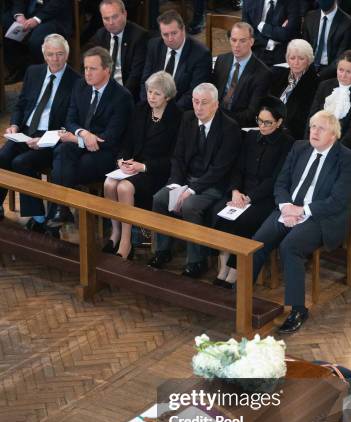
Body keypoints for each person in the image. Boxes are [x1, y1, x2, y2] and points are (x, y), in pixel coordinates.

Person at [252, 110, 351, 333]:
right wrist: (286, 207)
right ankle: (239, 294)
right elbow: (281, 183)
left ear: (334, 135)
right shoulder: (299, 148)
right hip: (289, 208)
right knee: (258, 242)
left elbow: (337, 201)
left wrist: (303, 210)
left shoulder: (348, 159)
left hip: (320, 216)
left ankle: (298, 309)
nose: (315, 132)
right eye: (312, 127)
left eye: (321, 128)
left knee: (290, 246)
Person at [149, 83, 242, 279]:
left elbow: (220, 169)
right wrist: (175, 183)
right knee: (160, 198)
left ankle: (196, 261)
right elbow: (178, 156)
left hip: (213, 184)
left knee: (190, 205)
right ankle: (162, 250)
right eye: (195, 102)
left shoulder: (229, 127)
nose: (198, 107)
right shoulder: (188, 118)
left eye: (204, 103)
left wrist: (191, 190)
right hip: (186, 179)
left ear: (216, 105)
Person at [212, 97, 294, 288]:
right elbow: (237, 168)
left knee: (245, 221)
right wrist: (235, 191)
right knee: (219, 215)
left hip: (264, 198)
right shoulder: (250, 137)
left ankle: (235, 270)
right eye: (259, 120)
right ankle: (223, 267)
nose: (262, 126)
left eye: (268, 122)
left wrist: (249, 198)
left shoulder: (287, 143)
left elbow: (276, 179)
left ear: (279, 122)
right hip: (241, 193)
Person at [47, 46, 134, 227]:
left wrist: (75, 138)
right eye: (85, 68)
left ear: (107, 70)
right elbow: (69, 119)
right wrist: (83, 134)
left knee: (67, 167)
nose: (87, 73)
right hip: (84, 143)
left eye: (92, 69)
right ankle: (62, 210)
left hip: (105, 152)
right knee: (62, 152)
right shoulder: (80, 86)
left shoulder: (122, 97)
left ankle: (60, 210)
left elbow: (109, 139)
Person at [0, 34, 80, 228]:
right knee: (2, 157)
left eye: (60, 54)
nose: (55, 59)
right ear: (44, 55)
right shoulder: (33, 72)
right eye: (50, 54)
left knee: (21, 163)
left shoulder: (76, 81)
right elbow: (20, 105)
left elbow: (71, 120)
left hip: (51, 138)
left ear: (67, 55)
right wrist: (15, 125)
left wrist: (45, 140)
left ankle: (38, 218)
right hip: (25, 131)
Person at [103, 71, 181, 260]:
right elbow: (127, 142)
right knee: (109, 183)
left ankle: (126, 241)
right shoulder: (141, 109)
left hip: (156, 172)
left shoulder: (177, 117)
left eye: (157, 94)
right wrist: (121, 160)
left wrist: (143, 167)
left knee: (123, 187)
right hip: (133, 166)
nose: (151, 97)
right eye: (150, 92)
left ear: (168, 96)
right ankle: (116, 232)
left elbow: (174, 159)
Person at [140, 9, 212, 110]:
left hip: (180, 111)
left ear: (183, 30)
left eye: (174, 33)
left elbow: (194, 93)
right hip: (152, 106)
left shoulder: (200, 54)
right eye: (165, 35)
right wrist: (148, 105)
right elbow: (145, 81)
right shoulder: (154, 46)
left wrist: (168, 112)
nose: (170, 39)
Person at [308, 49, 351, 150]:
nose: (343, 76)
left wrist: (334, 150)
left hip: (341, 147)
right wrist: (309, 143)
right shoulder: (324, 85)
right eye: (340, 70)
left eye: (348, 72)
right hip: (315, 140)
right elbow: (312, 117)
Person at [86, 0, 147, 101]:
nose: (111, 23)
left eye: (115, 17)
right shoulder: (100, 35)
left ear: (125, 14)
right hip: (103, 92)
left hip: (127, 94)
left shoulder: (139, 37)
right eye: (106, 18)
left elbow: (135, 76)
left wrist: (119, 98)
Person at [212, 22, 271, 127]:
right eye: (233, 40)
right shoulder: (222, 60)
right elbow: (214, 93)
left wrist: (221, 118)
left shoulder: (263, 73)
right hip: (215, 115)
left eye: (242, 41)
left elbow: (251, 114)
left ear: (251, 42)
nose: (236, 45)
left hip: (238, 124)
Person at [2, 0, 72, 81]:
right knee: (5, 24)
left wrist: (36, 19)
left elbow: (57, 3)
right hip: (28, 10)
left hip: (53, 15)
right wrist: (19, 15)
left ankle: (44, 74)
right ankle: (20, 68)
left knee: (36, 40)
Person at [269, 39, 318, 138]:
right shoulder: (279, 75)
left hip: (289, 132)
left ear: (308, 60)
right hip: (268, 123)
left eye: (301, 58)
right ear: (287, 59)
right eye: (292, 58)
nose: (296, 62)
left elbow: (302, 119)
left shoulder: (315, 84)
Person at [302, 0, 351, 81]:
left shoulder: (347, 23)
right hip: (308, 67)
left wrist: (319, 75)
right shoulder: (310, 16)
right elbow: (304, 46)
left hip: (331, 72)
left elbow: (341, 56)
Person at [242, 0, 301, 67]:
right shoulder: (249, 2)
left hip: (281, 54)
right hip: (255, 49)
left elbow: (288, 34)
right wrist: (269, 42)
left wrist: (263, 27)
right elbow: (246, 33)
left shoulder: (293, 3)